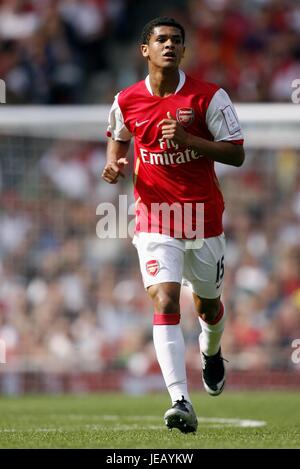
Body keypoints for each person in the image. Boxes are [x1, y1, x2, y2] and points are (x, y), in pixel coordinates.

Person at [102, 16, 245, 434]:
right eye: (161, 39)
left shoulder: (209, 97)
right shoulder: (126, 99)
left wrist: (188, 142)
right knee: (165, 299)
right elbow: (118, 133)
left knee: (208, 307)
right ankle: (180, 400)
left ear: (184, 51)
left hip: (203, 218)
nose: (169, 45)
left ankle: (212, 352)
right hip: (155, 217)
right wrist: (113, 163)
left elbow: (236, 154)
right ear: (144, 50)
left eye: (176, 40)